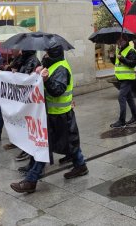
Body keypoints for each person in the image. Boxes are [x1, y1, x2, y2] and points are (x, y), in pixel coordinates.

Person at [10, 41, 88, 193]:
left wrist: (46, 79)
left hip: (60, 114)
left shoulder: (61, 68)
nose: (45, 54)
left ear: (54, 53)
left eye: (47, 52)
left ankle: (31, 180)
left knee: (47, 146)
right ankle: (80, 165)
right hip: (53, 114)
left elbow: (57, 90)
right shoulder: (52, 65)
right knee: (65, 143)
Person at [0, 49, 41, 145]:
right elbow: (15, 70)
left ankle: (18, 140)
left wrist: (15, 72)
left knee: (18, 117)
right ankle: (1, 135)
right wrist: (5, 69)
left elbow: (25, 76)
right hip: (12, 93)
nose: (12, 50)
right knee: (1, 112)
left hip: (21, 94)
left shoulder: (31, 60)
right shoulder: (21, 59)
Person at [109, 34, 136, 128]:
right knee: (129, 98)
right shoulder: (119, 49)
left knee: (121, 97)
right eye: (118, 41)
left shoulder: (131, 50)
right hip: (121, 78)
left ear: (126, 40)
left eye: (121, 40)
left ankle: (122, 121)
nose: (119, 42)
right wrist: (112, 57)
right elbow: (117, 63)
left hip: (128, 78)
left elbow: (132, 64)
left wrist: (122, 58)